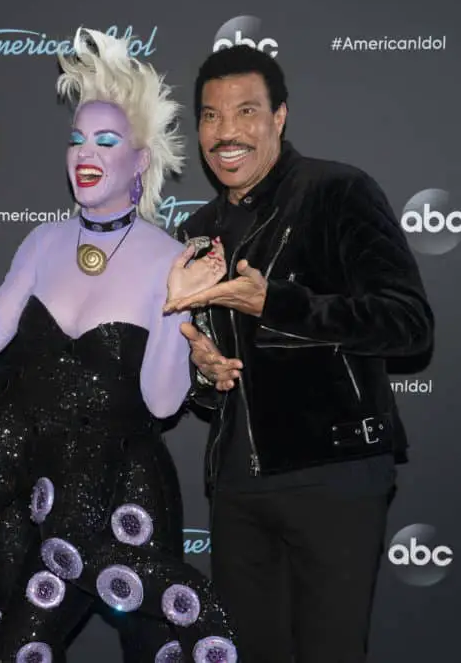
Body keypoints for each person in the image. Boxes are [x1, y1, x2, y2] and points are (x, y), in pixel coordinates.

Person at [0, 28, 238, 663]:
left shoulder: (169, 258)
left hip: (115, 496)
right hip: (22, 480)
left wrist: (177, 303)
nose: (85, 152)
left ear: (139, 161)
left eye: (106, 141)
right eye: (77, 139)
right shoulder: (42, 241)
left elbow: (164, 402)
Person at [163, 45, 435, 663]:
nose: (226, 132)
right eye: (210, 115)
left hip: (332, 475)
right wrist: (204, 372)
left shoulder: (337, 191)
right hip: (236, 489)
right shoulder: (197, 231)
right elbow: (215, 373)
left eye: (246, 111)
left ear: (279, 117)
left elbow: (408, 323)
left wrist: (276, 304)